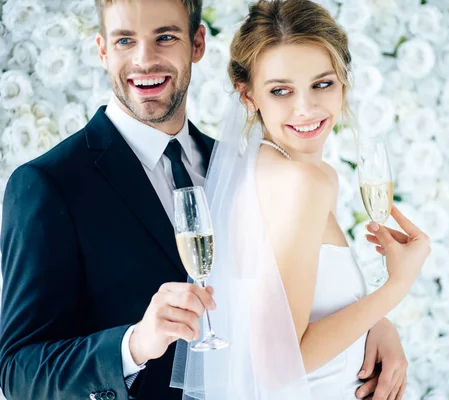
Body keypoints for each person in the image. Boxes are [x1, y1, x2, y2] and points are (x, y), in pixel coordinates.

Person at [0, 0, 409, 399]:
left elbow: (272, 304)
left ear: (197, 43)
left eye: (165, 37)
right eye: (125, 40)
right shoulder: (47, 184)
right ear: (103, 49)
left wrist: (374, 325)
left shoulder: (235, 166)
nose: (145, 60)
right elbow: (18, 372)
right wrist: (133, 345)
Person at [172, 1, 430, 399]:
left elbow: (298, 314)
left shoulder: (263, 169)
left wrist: (377, 324)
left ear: (343, 82)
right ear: (248, 96)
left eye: (322, 84)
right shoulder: (302, 183)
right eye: (280, 91)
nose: (305, 108)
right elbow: (276, 365)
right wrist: (395, 288)